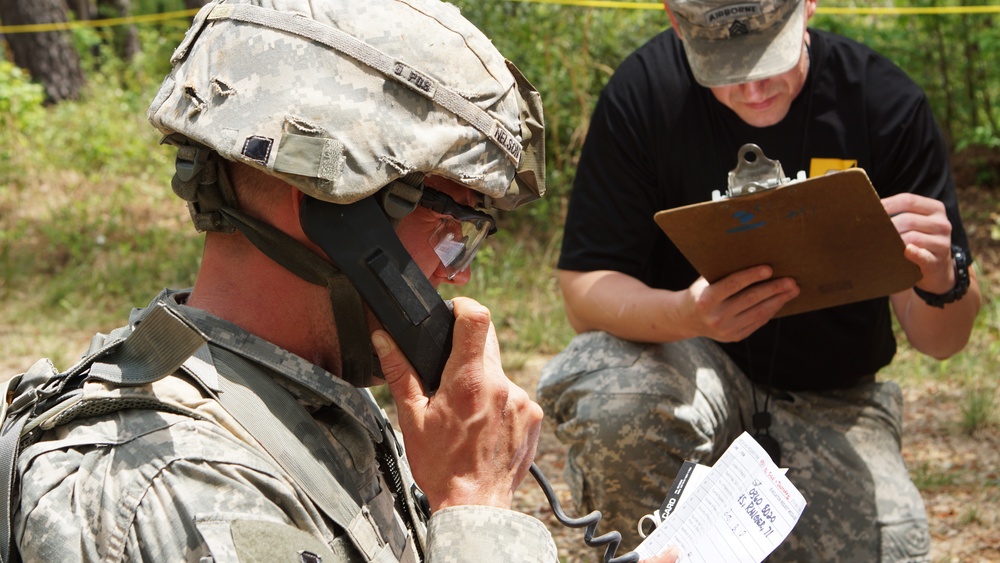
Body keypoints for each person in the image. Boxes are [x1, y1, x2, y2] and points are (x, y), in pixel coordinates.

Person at [2, 2, 687, 562]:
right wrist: (476, 509)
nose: (462, 269)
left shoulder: (301, 400)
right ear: (339, 212)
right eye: (458, 225)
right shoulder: (184, 491)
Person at [537, 0, 981, 560]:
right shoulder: (645, 92)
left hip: (833, 400)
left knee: (892, 547)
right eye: (724, 66)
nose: (751, 89)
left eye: (769, 58)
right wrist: (689, 314)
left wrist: (940, 277)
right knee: (615, 401)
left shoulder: (882, 102)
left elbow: (942, 341)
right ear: (678, 26)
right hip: (686, 366)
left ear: (808, 8)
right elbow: (584, 290)